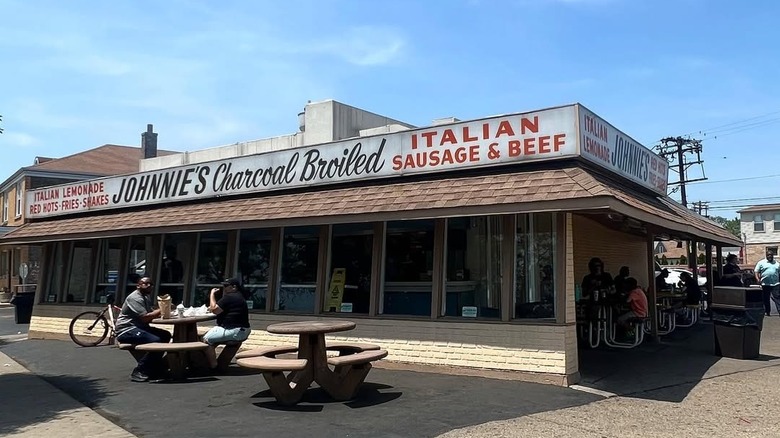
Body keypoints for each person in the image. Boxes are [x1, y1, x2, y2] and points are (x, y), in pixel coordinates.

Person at [114, 277, 172, 382]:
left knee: (165, 335)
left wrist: (166, 311)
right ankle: (140, 370)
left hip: (140, 327)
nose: (149, 285)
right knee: (156, 341)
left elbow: (150, 314)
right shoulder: (135, 298)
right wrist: (163, 308)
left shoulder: (146, 297)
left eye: (151, 284)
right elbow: (145, 317)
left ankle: (156, 367)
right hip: (127, 329)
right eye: (145, 283)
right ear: (138, 286)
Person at [203, 278, 251, 371]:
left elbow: (215, 310)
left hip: (235, 330)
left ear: (234, 287)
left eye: (226, 286)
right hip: (243, 330)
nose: (224, 288)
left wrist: (212, 294)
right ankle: (209, 361)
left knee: (206, 340)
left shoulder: (230, 297)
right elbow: (220, 309)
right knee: (212, 336)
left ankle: (213, 366)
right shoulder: (239, 296)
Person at [755, 250, 780, 316]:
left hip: (776, 283)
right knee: (766, 299)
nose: (770, 256)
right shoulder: (761, 263)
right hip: (765, 284)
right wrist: (758, 279)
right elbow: (756, 271)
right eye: (768, 255)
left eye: (771, 255)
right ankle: (767, 312)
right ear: (766, 255)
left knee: (777, 298)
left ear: (773, 256)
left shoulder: (777, 263)